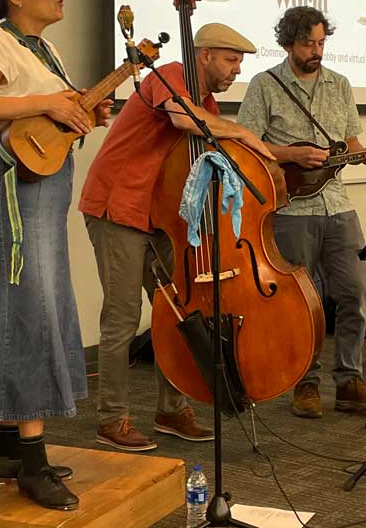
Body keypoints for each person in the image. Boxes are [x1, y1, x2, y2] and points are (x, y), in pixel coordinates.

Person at [0, 0, 111, 511]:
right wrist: (51, 100)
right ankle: (34, 460)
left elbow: (37, 119)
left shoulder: (42, 50)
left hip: (39, 196)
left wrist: (81, 113)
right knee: (28, 312)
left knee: (21, 308)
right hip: (8, 199)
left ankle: (6, 450)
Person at [79, 23, 273, 451]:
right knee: (123, 317)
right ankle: (111, 419)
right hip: (118, 208)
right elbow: (181, 118)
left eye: (240, 62)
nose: (236, 70)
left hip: (160, 218)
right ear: (204, 55)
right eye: (230, 60)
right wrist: (239, 131)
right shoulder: (166, 73)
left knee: (179, 312)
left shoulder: (206, 101)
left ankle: (171, 410)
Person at [237, 6, 366, 419]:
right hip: (290, 208)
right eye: (308, 43)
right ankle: (304, 384)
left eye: (322, 42)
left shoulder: (340, 85)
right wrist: (291, 153)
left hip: (338, 205)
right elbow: (245, 144)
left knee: (355, 291)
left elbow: (350, 142)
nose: (317, 50)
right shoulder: (264, 85)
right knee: (300, 304)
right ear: (288, 43)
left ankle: (349, 383)